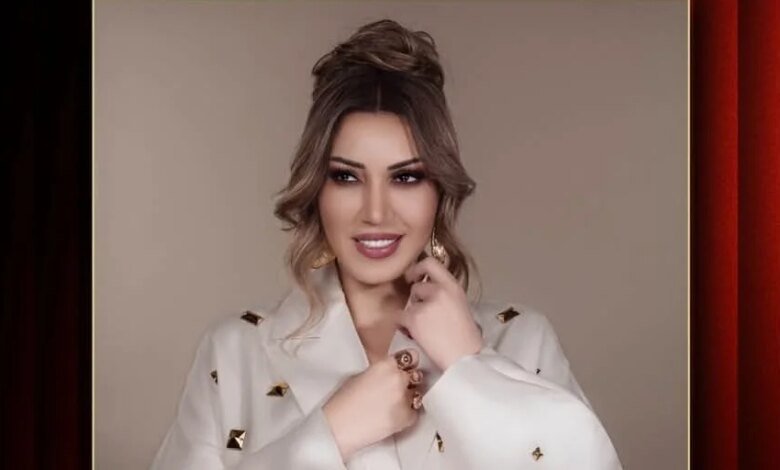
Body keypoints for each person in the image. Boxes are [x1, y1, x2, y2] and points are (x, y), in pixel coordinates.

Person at [151, 19, 623, 470]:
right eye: (346, 177)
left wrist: (469, 365)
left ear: (439, 191)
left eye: (406, 177)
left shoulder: (520, 339)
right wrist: (331, 432)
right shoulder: (235, 352)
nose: (376, 212)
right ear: (316, 189)